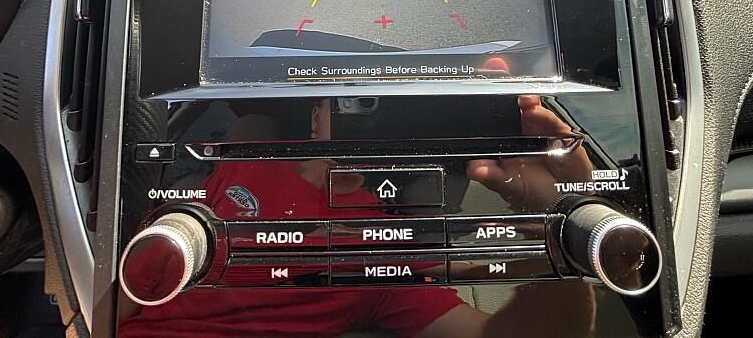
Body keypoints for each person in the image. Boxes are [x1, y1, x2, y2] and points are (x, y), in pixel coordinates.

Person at [119, 95, 595, 337]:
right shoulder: (246, 158)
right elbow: (140, 272)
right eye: (355, 101)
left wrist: (558, 223)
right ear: (315, 116)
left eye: (395, 109)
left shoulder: (386, 249)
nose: (373, 119)